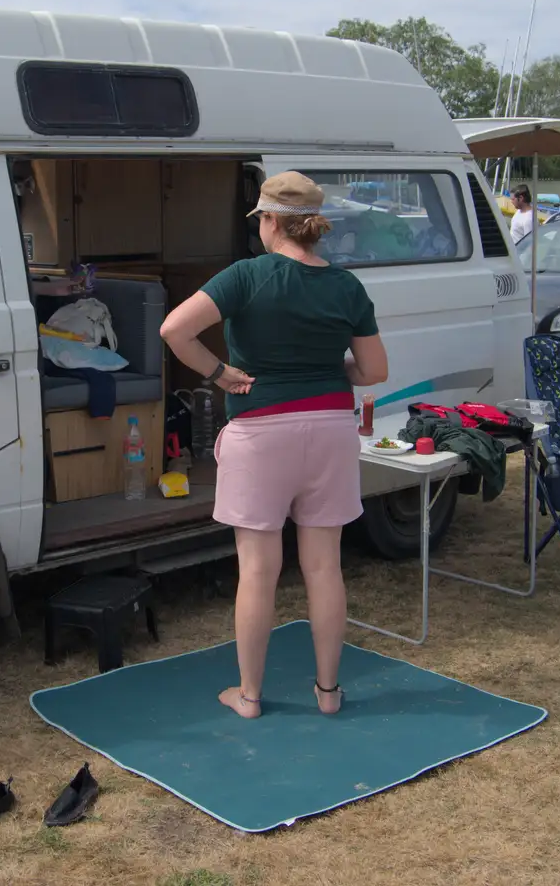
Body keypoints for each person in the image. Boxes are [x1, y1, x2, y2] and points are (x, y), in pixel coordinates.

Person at [159, 171, 388, 720]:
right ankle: (329, 694)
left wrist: (219, 373)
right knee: (324, 568)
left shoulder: (246, 276)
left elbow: (173, 330)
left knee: (258, 571)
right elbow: (374, 370)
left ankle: (251, 697)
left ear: (269, 221)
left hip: (261, 431)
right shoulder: (345, 286)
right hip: (331, 428)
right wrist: (328, 365)